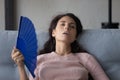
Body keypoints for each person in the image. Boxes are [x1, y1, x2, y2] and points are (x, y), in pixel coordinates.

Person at [11, 13, 110, 80]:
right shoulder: (39, 59)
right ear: (53, 32)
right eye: (62, 24)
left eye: (72, 26)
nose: (67, 27)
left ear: (75, 36)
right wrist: (21, 66)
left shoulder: (85, 58)